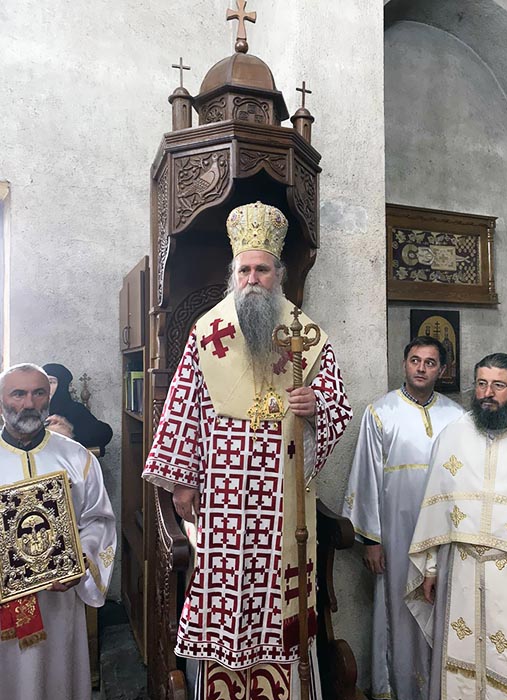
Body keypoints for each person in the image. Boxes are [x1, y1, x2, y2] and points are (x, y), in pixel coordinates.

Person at [142, 201, 352, 700]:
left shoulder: (307, 337)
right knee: (226, 594)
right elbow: (183, 407)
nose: (253, 279)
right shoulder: (206, 333)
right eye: (245, 270)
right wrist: (183, 483)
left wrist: (316, 405)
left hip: (284, 499)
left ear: (279, 276)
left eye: (262, 269)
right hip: (223, 498)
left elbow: (337, 405)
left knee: (281, 595)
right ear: (232, 276)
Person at [342, 337, 464, 700]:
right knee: (397, 609)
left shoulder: (457, 417)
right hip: (396, 535)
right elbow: (366, 478)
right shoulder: (381, 412)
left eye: (430, 362)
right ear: (404, 363)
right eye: (415, 360)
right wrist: (372, 540)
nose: (421, 368)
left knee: (441, 606)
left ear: (442, 370)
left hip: (444, 533)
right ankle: (398, 688)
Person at [407, 353, 507, 699]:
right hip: (459, 565)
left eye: (499, 385)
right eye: (482, 383)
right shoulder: (453, 435)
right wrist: (430, 569)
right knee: (456, 655)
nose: (488, 393)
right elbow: (435, 510)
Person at [0, 363, 116, 700]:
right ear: (1, 400)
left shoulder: (76, 457)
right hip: (4, 605)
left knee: (58, 680)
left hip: (60, 601)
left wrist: (80, 562)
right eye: (18, 394)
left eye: (38, 393)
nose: (29, 403)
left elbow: (98, 521)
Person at [42, 362, 113, 454]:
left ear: (62, 386)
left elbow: (104, 433)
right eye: (42, 382)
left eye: (51, 382)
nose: (45, 387)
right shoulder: (30, 409)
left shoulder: (74, 410)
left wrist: (70, 432)